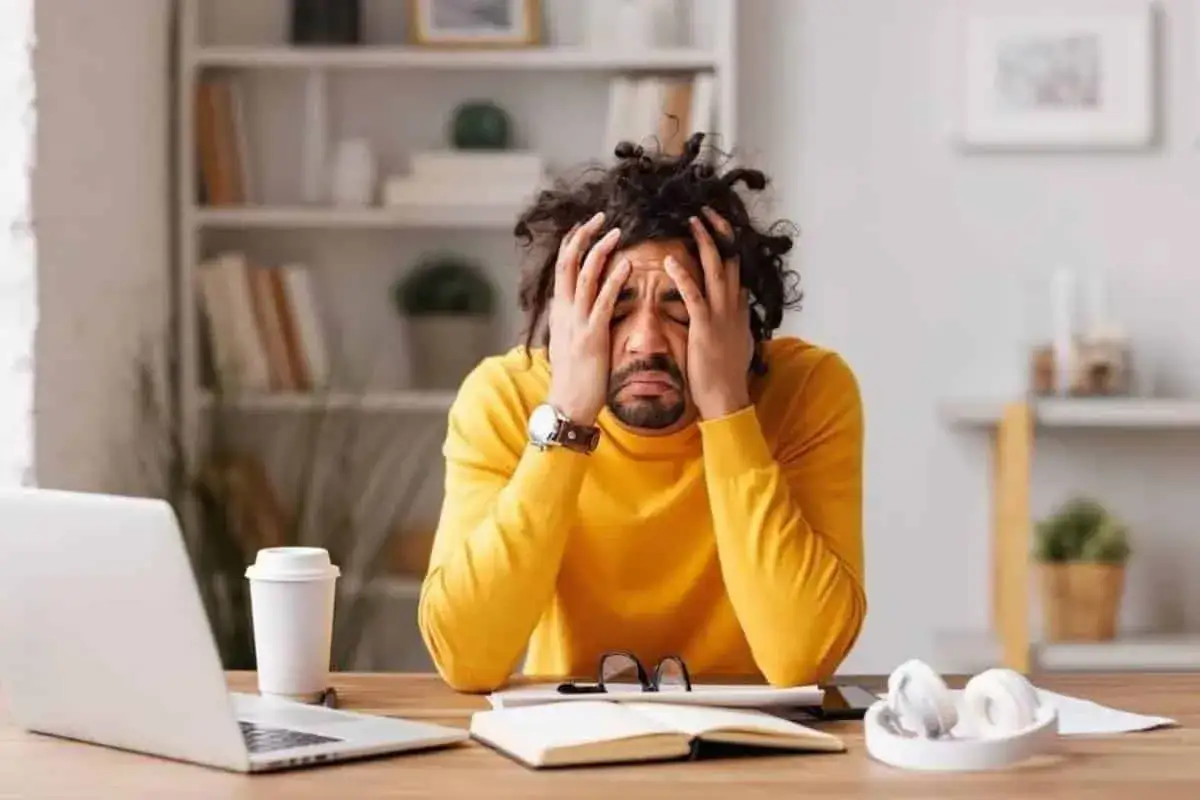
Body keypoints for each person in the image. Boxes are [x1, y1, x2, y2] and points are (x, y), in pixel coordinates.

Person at [417, 133, 866, 693]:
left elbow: (803, 656)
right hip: (573, 751)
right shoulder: (504, 398)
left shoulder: (809, 391)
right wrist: (568, 419)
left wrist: (727, 409)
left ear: (736, 317)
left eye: (683, 308)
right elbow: (466, 658)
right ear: (565, 317)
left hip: (755, 760)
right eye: (616, 308)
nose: (645, 342)